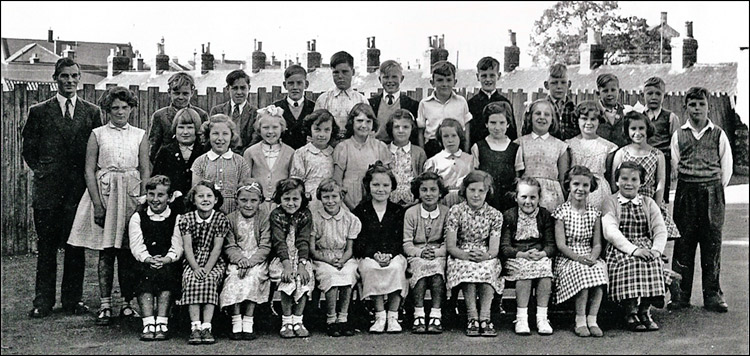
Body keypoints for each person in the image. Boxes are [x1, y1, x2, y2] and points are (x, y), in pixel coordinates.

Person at [23, 57, 102, 318]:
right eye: (64, 76)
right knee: (46, 248)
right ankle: (42, 302)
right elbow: (29, 152)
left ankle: (72, 300)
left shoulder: (91, 112)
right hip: (48, 192)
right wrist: (47, 172)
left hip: (78, 192)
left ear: (80, 79)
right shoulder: (39, 111)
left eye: (74, 76)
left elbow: (96, 152)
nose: (69, 81)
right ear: (55, 79)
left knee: (75, 247)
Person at [67, 86, 149, 325]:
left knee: (127, 252)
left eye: (125, 107)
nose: (120, 112)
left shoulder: (139, 134)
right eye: (115, 108)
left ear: (132, 109)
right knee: (106, 252)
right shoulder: (98, 134)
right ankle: (104, 304)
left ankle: (126, 303)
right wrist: (97, 203)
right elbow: (89, 169)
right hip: (105, 194)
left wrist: (142, 201)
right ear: (107, 110)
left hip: (131, 195)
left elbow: (145, 168)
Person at [669, 87, 733, 313]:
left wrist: (712, 189)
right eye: (692, 104)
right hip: (687, 193)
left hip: (712, 193)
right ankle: (680, 295)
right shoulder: (679, 134)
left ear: (708, 107)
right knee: (683, 244)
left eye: (701, 104)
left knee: (711, 245)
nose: (697, 109)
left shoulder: (718, 134)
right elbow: (676, 164)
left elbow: (726, 169)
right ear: (685, 107)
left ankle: (713, 295)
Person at [602, 161, 667, 332]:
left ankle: (644, 311)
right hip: (620, 247)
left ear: (641, 182)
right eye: (624, 179)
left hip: (645, 245)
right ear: (616, 181)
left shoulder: (648, 202)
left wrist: (656, 250)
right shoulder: (610, 201)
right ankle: (629, 311)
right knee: (631, 263)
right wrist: (634, 250)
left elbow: (659, 228)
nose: (628, 183)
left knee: (652, 262)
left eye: (633, 179)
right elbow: (610, 230)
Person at [445, 170, 504, 337]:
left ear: (488, 192)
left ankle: (485, 318)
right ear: (465, 191)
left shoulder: (495, 215)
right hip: (461, 253)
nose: (476, 195)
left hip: (485, 253)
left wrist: (486, 256)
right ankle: (472, 317)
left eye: (481, 191)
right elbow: (451, 245)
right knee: (467, 267)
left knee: (488, 267)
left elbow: (494, 249)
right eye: (472, 190)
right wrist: (465, 255)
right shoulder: (455, 211)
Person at [551, 166, 609, 338]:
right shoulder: (561, 212)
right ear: (568, 186)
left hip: (588, 254)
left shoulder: (594, 213)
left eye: (585, 185)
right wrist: (578, 258)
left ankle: (593, 319)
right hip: (568, 257)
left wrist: (592, 257)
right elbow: (561, 245)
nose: (580, 189)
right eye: (576, 184)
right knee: (582, 274)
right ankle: (580, 319)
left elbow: (597, 243)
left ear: (591, 187)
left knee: (599, 272)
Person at [352, 162, 408, 334]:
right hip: (369, 255)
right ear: (368, 186)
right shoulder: (361, 210)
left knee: (397, 267)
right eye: (376, 185)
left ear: (392, 187)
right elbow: (359, 239)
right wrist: (373, 255)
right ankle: (379, 314)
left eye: (385, 185)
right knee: (370, 268)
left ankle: (393, 314)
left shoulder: (398, 211)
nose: (380, 189)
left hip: (394, 254)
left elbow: (400, 238)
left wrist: (389, 255)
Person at [128, 175, 184, 341]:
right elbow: (136, 245)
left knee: (167, 275)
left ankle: (162, 321)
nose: (155, 199)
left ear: (169, 197)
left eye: (160, 195)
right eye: (151, 194)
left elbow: (177, 244)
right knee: (143, 275)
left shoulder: (176, 217)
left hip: (167, 261)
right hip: (145, 260)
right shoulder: (138, 217)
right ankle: (147, 322)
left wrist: (167, 259)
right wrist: (147, 259)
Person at [500, 177, 556, 335]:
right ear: (516, 197)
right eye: (523, 197)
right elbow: (505, 247)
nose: (528, 201)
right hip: (517, 256)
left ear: (539, 198)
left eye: (533, 197)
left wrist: (542, 253)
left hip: (538, 255)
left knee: (545, 271)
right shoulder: (510, 215)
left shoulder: (544, 215)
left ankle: (542, 317)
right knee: (524, 273)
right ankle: (521, 318)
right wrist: (522, 254)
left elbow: (551, 244)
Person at [612, 111, 680, 240]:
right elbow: (614, 183)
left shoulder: (657, 154)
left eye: (641, 128)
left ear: (647, 129)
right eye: (633, 128)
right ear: (627, 131)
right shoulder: (621, 153)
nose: (637, 132)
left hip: (649, 201)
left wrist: (656, 206)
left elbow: (660, 181)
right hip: (626, 201)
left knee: (652, 236)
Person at [175, 181, 228, 345]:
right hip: (193, 260)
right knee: (191, 280)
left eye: (209, 196)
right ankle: (195, 327)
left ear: (216, 199)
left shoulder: (220, 219)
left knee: (209, 280)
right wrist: (196, 267)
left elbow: (217, 248)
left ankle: (207, 326)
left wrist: (206, 269)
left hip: (213, 261)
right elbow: (188, 247)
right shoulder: (187, 219)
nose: (205, 200)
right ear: (193, 200)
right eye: (201, 196)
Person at [219, 181, 272, 341]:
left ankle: (248, 319)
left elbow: (265, 246)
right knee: (235, 276)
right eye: (244, 200)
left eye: (253, 200)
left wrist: (250, 262)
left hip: (256, 259)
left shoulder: (264, 218)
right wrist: (240, 259)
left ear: (260, 201)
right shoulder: (230, 219)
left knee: (254, 275)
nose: (248, 205)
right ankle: (236, 320)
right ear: (237, 200)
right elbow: (229, 245)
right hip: (237, 259)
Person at [309, 179, 361, 337]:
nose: (330, 201)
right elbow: (312, 249)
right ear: (320, 198)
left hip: (343, 257)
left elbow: (350, 248)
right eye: (326, 197)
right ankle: (331, 318)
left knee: (348, 273)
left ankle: (343, 318)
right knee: (331, 276)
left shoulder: (350, 219)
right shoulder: (315, 219)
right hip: (322, 257)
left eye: (334, 196)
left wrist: (343, 260)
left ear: (341, 197)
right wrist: (328, 260)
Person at [402, 172, 450, 334]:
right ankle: (419, 314)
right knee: (421, 271)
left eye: (433, 189)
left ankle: (436, 314)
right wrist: (420, 252)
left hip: (439, 254)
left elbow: (448, 242)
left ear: (440, 192)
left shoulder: (446, 212)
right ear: (418, 192)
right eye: (424, 190)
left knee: (436, 272)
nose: (428, 194)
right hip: (417, 254)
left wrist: (436, 253)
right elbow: (407, 243)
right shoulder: (411, 213)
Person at [267, 178, 315, 338]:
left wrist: (301, 264)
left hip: (301, 256)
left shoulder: (305, 214)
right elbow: (279, 242)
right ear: (279, 199)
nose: (291, 203)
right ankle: (286, 320)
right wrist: (287, 266)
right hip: (282, 258)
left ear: (302, 199)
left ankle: (298, 320)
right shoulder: (276, 215)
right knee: (286, 278)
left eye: (295, 199)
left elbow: (303, 240)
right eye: (286, 199)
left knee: (303, 278)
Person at [333, 103, 392, 211]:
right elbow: (337, 183)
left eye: (368, 121)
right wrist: (352, 208)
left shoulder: (380, 147)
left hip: (374, 205)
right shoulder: (343, 147)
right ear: (352, 122)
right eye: (359, 121)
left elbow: (386, 179)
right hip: (348, 204)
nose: (364, 125)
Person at [191, 114, 252, 215]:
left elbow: (245, 192)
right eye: (215, 133)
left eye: (225, 134)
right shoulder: (200, 162)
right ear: (208, 136)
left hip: (235, 212)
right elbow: (196, 192)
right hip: (208, 212)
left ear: (231, 136)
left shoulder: (240, 162)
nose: (220, 138)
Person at [517, 99, 570, 212]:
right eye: (537, 113)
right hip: (528, 194)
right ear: (530, 117)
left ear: (552, 120)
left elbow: (562, 178)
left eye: (547, 114)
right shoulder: (520, 143)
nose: (542, 117)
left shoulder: (560, 146)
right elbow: (517, 175)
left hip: (552, 196)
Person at [471, 101, 524, 212]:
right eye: (493, 123)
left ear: (508, 124)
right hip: (485, 200)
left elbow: (518, 176)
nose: (497, 127)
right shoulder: (478, 147)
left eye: (502, 123)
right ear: (486, 124)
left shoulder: (515, 149)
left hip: (508, 202)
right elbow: (474, 176)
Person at [152, 107, 206, 214]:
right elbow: (156, 179)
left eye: (190, 128)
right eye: (181, 127)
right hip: (170, 207)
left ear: (196, 129)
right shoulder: (166, 152)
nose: (185, 132)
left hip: (197, 207)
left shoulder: (204, 151)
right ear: (175, 129)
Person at [566, 101, 618, 209]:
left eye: (593, 119)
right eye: (584, 119)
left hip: (600, 192)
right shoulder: (569, 145)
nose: (589, 123)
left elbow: (609, 175)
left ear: (599, 121)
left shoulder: (607, 147)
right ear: (577, 120)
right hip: (577, 190)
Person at [149, 72, 209, 162]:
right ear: (169, 93)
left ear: (192, 93)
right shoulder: (160, 116)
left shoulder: (201, 115)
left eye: (185, 94)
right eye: (177, 93)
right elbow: (153, 147)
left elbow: (205, 145)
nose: (181, 97)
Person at [417, 60, 472, 157]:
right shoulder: (425, 104)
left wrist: (466, 152)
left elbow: (466, 129)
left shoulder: (461, 102)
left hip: (455, 145)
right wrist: (422, 153)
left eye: (448, 80)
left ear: (455, 82)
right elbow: (421, 131)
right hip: (433, 146)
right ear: (432, 82)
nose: (444, 84)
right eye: (440, 80)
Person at [243, 105, 295, 202]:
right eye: (266, 127)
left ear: (282, 128)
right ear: (259, 129)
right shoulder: (250, 152)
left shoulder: (290, 152)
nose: (270, 131)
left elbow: (292, 180)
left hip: (281, 203)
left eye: (275, 127)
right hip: (257, 203)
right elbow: (246, 181)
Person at [314, 51, 368, 141]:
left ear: (353, 72)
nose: (340, 76)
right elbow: (316, 127)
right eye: (336, 72)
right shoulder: (323, 100)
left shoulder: (361, 100)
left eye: (345, 72)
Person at [642, 76, 680, 203]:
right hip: (641, 162)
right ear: (643, 95)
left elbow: (675, 145)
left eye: (658, 94)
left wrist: (674, 166)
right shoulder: (638, 116)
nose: (654, 97)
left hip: (662, 164)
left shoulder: (670, 117)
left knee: (661, 197)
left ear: (665, 96)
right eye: (650, 93)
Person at [290, 109, 339, 206]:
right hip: (309, 200)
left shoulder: (335, 153)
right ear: (310, 129)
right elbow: (296, 182)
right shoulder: (301, 153)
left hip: (330, 200)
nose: (322, 134)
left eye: (327, 130)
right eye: (317, 129)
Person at [423, 119, 473, 208]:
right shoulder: (433, 161)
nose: (450, 140)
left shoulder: (470, 159)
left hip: (465, 203)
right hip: (442, 203)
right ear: (440, 139)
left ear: (460, 137)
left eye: (454, 136)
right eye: (446, 136)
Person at [467, 56, 515, 146]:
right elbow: (468, 134)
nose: (488, 79)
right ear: (478, 77)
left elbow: (512, 133)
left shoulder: (505, 103)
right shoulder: (471, 104)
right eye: (484, 76)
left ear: (499, 76)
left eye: (492, 75)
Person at [368, 60, 420, 143]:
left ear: (402, 79)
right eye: (386, 77)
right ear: (380, 79)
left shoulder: (412, 105)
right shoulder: (371, 104)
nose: (390, 81)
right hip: (376, 149)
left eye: (394, 77)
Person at [209, 69, 258, 154]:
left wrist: (241, 156)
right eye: (235, 88)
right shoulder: (217, 111)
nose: (239, 92)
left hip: (246, 156)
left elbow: (254, 141)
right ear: (228, 89)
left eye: (243, 88)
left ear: (249, 88)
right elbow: (212, 137)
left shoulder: (255, 113)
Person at [387, 109, 427, 207]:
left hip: (412, 202)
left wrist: (418, 200)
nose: (401, 130)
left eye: (405, 127)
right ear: (391, 129)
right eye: (396, 127)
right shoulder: (383, 150)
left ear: (411, 129)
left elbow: (423, 178)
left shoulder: (419, 153)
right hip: (388, 203)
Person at [273, 64, 316, 150]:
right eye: (291, 83)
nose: (295, 87)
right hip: (283, 155)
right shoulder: (276, 108)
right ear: (285, 85)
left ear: (306, 84)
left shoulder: (313, 108)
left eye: (299, 83)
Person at [543, 63, 578, 141]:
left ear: (569, 85)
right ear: (546, 85)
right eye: (554, 83)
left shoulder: (575, 110)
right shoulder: (540, 109)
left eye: (563, 82)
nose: (559, 87)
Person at [595, 73, 628, 147]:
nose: (609, 94)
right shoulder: (594, 112)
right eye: (605, 91)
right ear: (598, 94)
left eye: (613, 90)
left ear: (619, 92)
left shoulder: (625, 112)